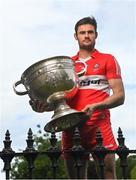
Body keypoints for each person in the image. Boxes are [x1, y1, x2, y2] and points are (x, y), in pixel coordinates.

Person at [29, 16, 125, 179]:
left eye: (90, 32)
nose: (86, 35)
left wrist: (96, 106)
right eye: (82, 33)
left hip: (99, 126)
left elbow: (120, 96)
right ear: (76, 36)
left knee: (108, 174)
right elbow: (61, 99)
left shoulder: (107, 59)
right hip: (70, 128)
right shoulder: (66, 64)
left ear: (96, 35)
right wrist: (43, 107)